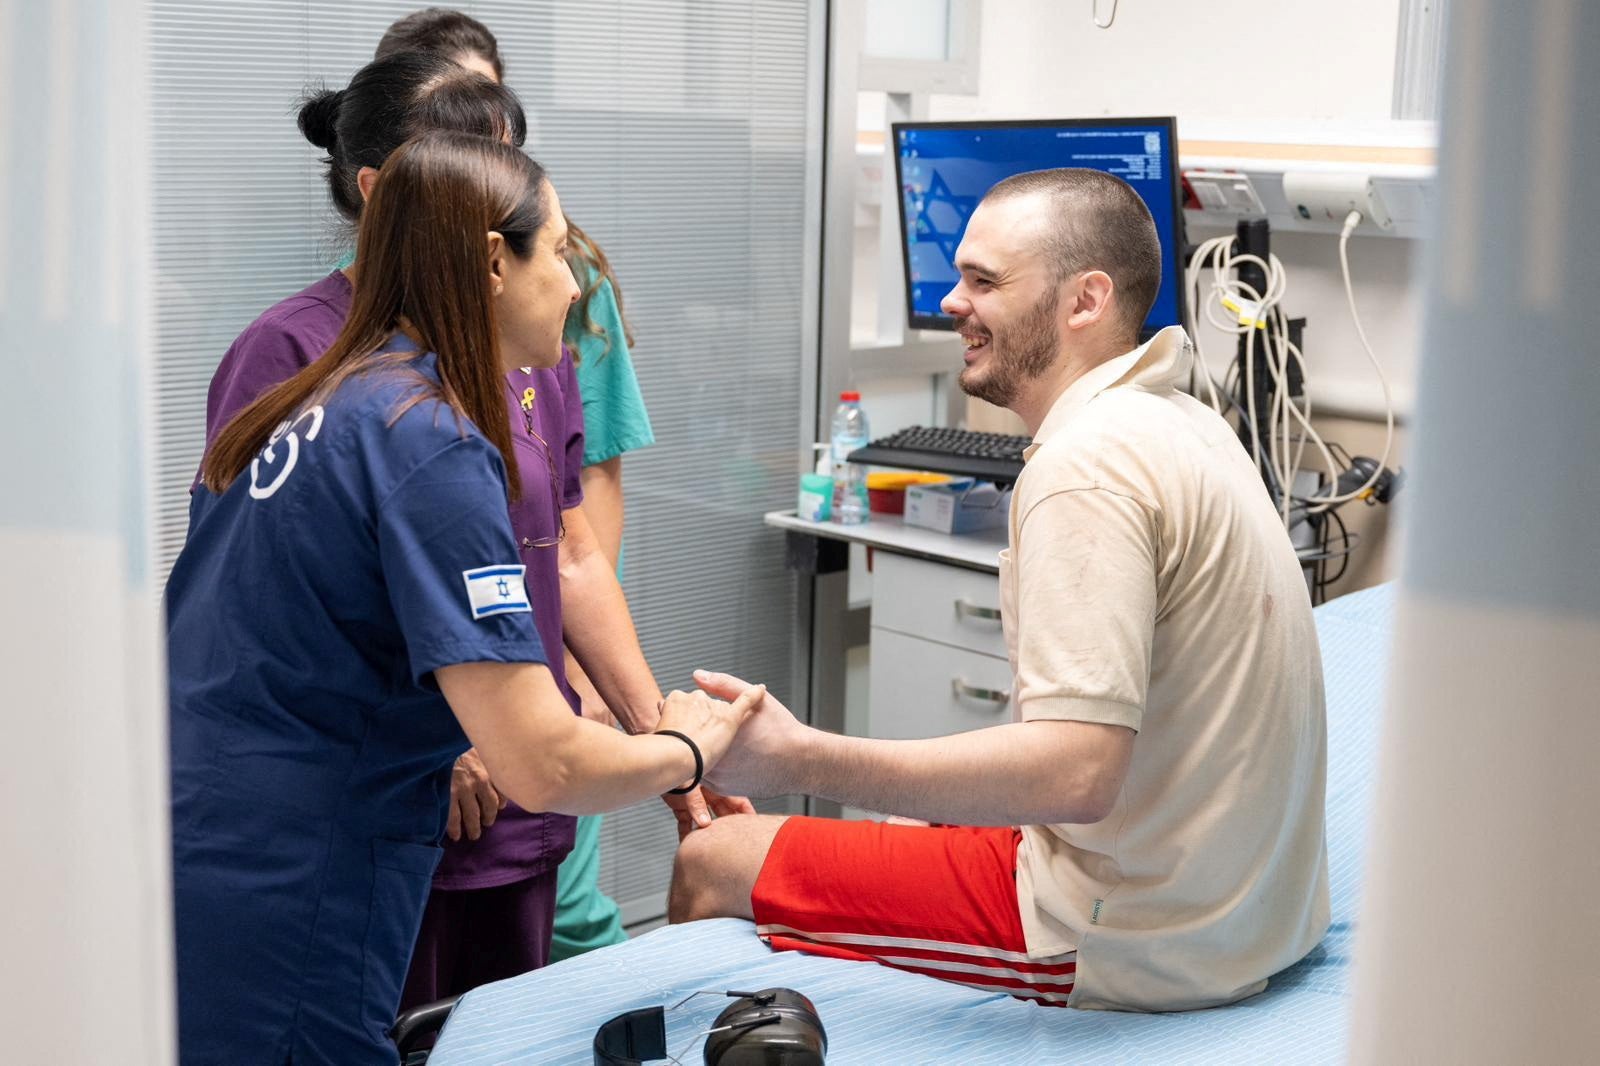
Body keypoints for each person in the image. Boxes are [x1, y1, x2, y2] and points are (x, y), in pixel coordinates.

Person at [671, 168, 1330, 1013]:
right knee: (908, 824)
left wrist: (799, 756)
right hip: (1249, 912)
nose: (953, 302)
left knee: (713, 858)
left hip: (1137, 934)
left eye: (983, 281)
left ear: (1085, 301)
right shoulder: (1184, 422)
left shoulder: (1084, 468)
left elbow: (1077, 774)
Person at [169, 129, 764, 1065]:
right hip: (295, 867)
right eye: (558, 252)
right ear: (493, 261)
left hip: (208, 834)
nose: (574, 284)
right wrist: (688, 746)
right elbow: (542, 764)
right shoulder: (427, 441)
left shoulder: (328, 400)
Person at [373, 7, 665, 963]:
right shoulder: (383, 396)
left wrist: (626, 714)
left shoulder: (552, 322)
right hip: (413, 757)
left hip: (532, 716)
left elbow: (573, 538)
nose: (572, 284)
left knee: (550, 944)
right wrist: (471, 724)